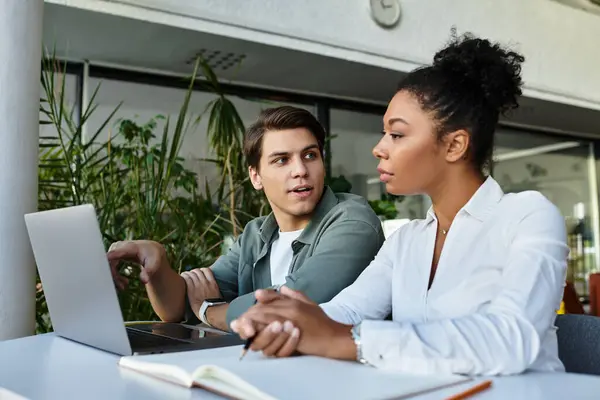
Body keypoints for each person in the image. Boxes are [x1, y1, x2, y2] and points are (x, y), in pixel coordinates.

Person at [230, 34, 570, 376]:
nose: (379, 148)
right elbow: (346, 311)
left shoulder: (528, 216)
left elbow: (511, 340)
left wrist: (351, 340)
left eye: (397, 134)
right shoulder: (407, 241)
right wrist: (287, 319)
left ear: (454, 146)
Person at [107, 105, 385, 332]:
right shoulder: (256, 234)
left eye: (310, 155)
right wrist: (156, 265)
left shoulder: (353, 221)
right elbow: (180, 306)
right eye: (282, 160)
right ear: (256, 177)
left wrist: (210, 310)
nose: (300, 170)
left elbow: (289, 306)